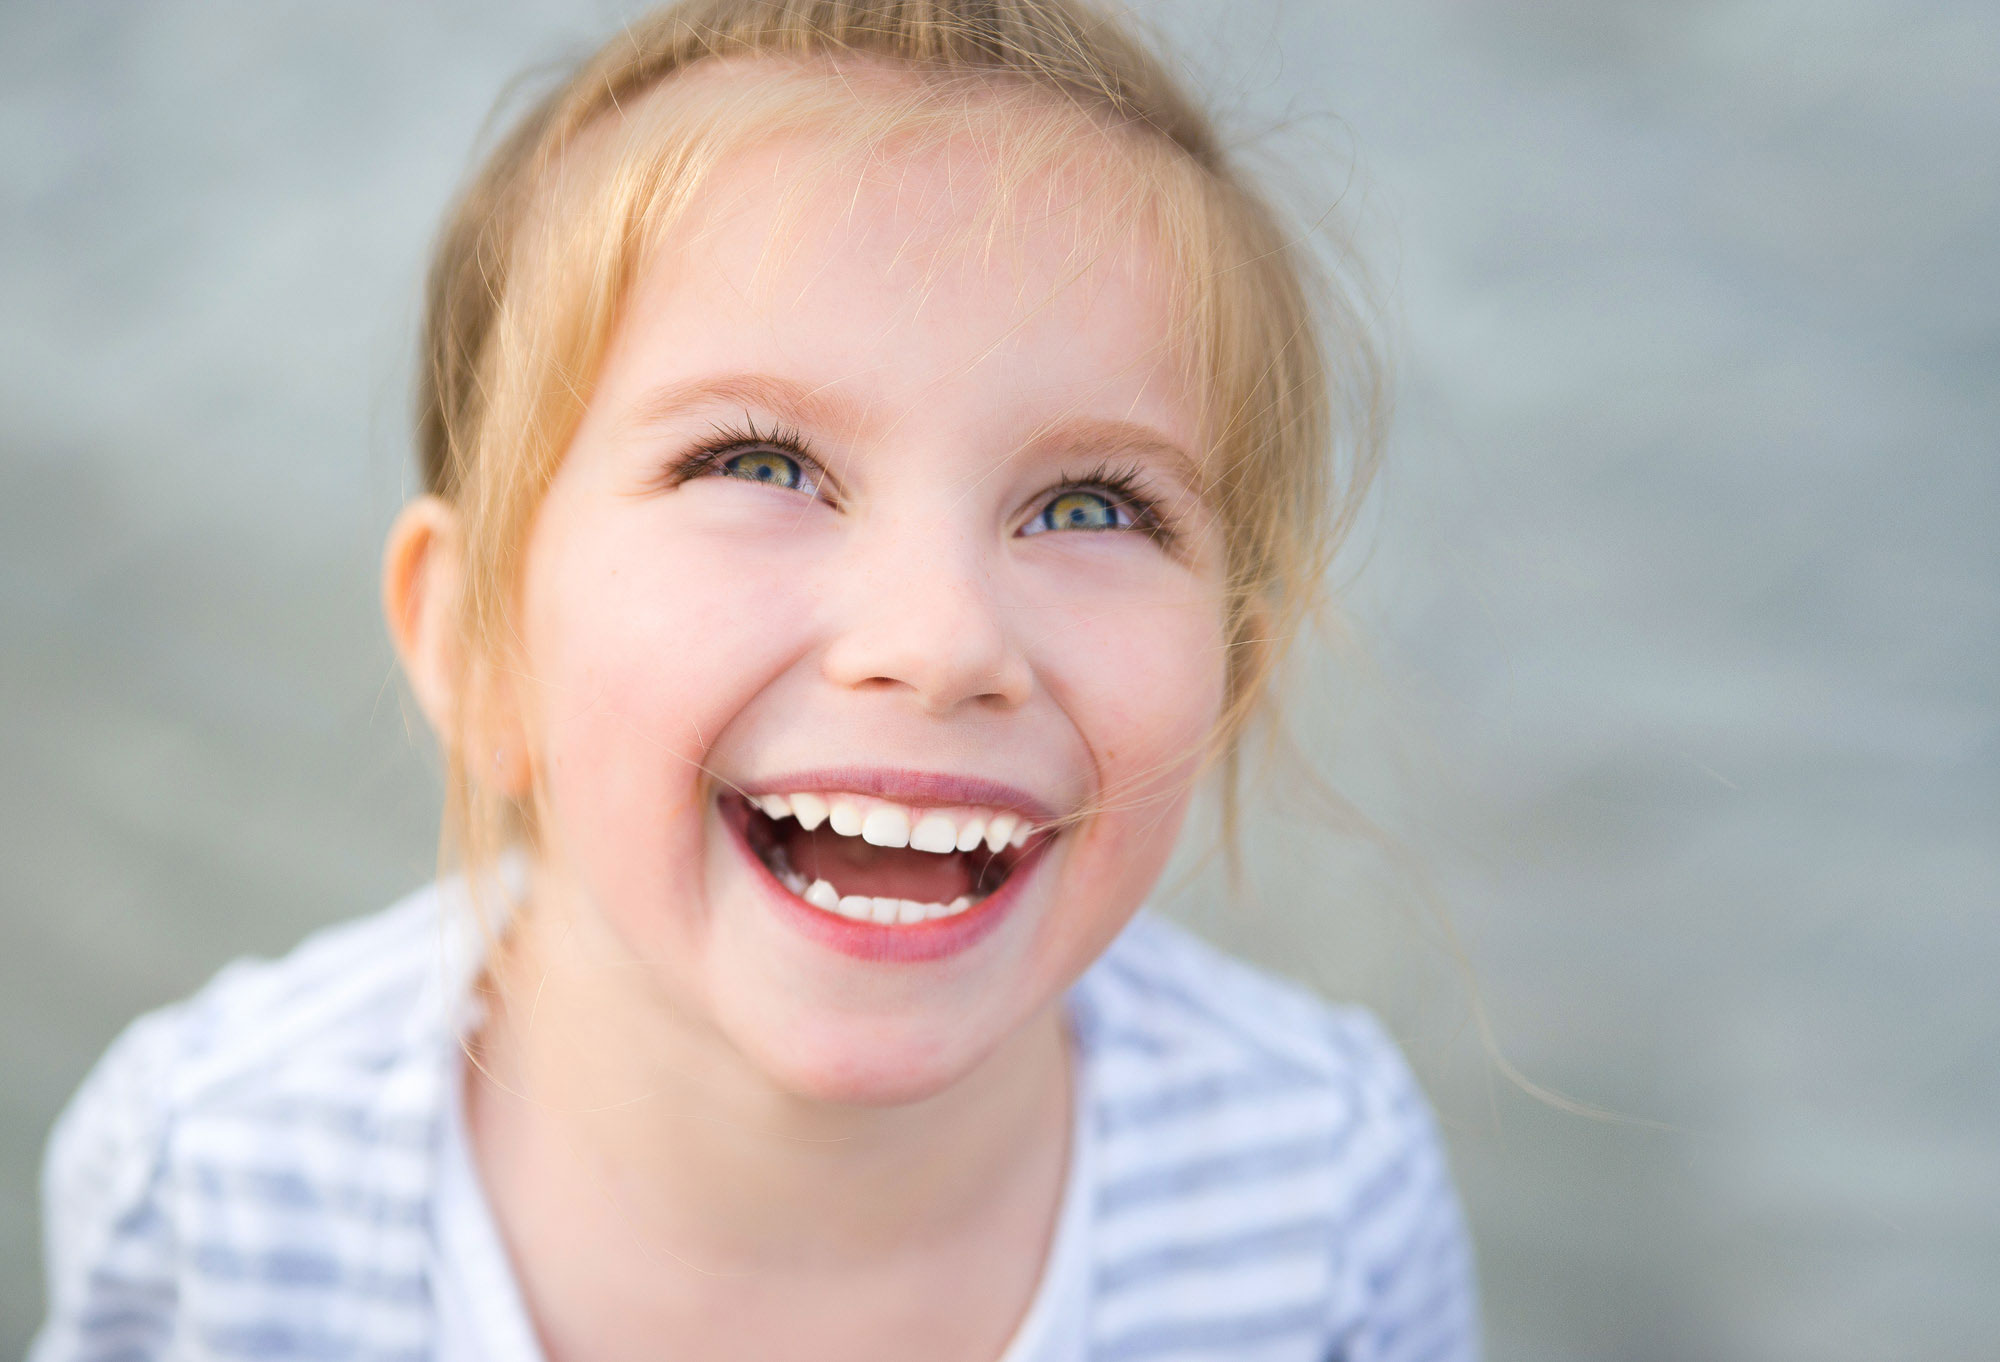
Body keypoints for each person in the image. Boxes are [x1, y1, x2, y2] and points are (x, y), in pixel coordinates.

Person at [30, 2, 1478, 1358]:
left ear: (1231, 672)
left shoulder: (1321, 1194)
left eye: (1095, 504)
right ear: (477, 642)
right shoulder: (219, 1182)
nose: (943, 636)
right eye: (758, 464)